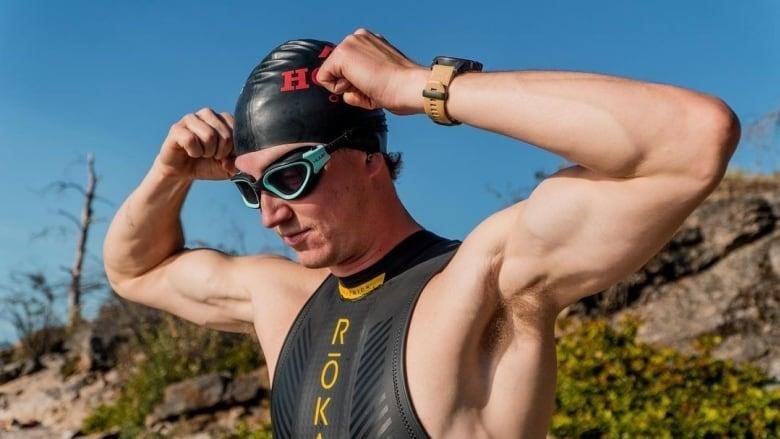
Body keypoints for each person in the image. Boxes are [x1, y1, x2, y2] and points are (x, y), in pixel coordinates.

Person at [103, 29, 739, 438]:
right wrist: (167, 174)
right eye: (252, 190)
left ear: (369, 157)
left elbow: (690, 139)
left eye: (292, 177)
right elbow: (136, 270)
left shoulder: (484, 281)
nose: (271, 214)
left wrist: (423, 87)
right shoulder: (279, 301)